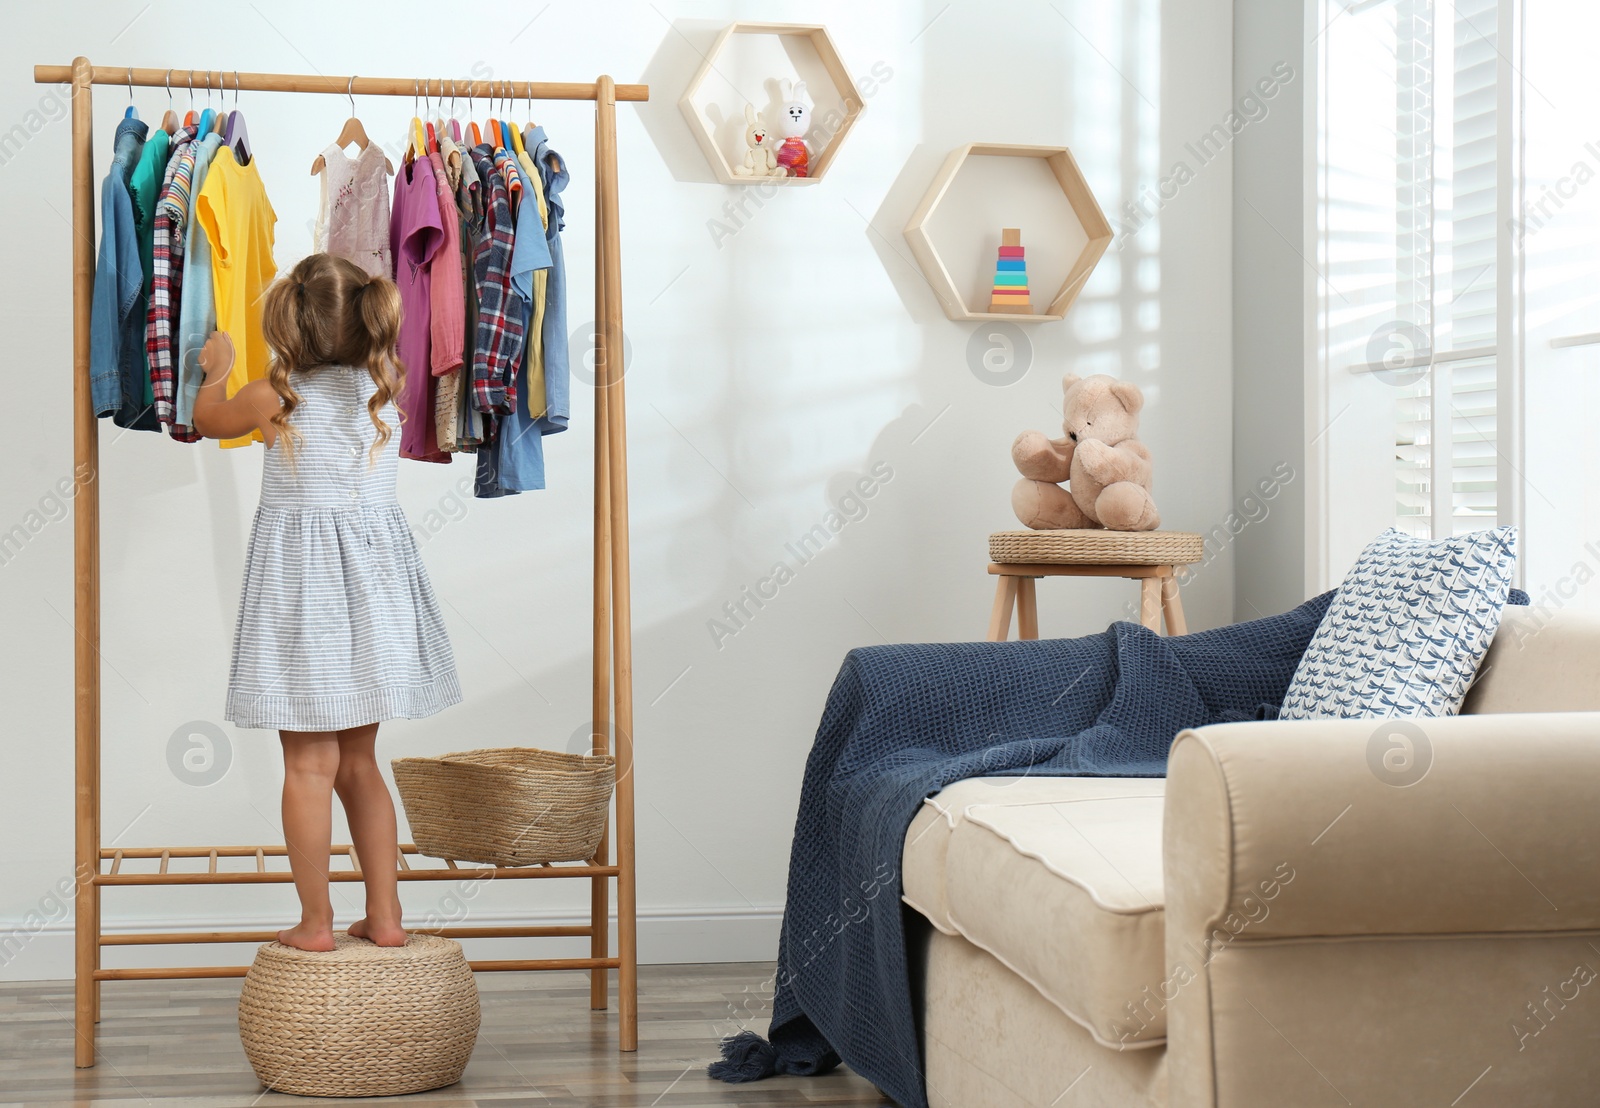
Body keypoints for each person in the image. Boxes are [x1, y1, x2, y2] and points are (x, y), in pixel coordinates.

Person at [193, 253, 463, 951]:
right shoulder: (384, 390)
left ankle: (315, 924)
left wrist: (215, 367)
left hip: (304, 604)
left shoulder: (271, 396)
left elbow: (207, 420)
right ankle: (388, 918)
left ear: (289, 320)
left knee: (308, 767)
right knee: (359, 766)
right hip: (376, 600)